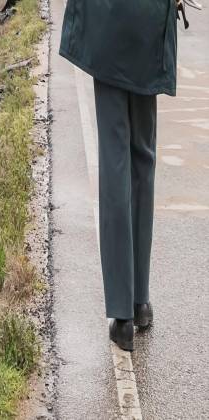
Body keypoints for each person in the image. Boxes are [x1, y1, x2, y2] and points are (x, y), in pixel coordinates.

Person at [59, 0, 178, 351]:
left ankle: (122, 315)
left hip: (109, 24)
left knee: (115, 160)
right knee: (144, 156)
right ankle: (140, 301)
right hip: (149, 25)